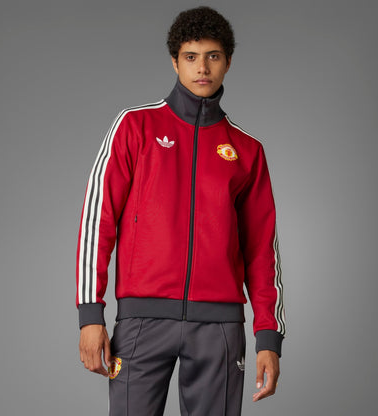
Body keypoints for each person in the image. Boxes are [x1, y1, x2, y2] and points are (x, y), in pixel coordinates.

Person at [76, 6, 285, 415]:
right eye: (191, 56)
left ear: (228, 62)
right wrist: (90, 314)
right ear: (175, 61)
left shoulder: (247, 151)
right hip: (141, 322)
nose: (202, 68)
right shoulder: (135, 127)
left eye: (213, 56)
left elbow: (262, 251)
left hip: (220, 329)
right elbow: (97, 220)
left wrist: (268, 337)